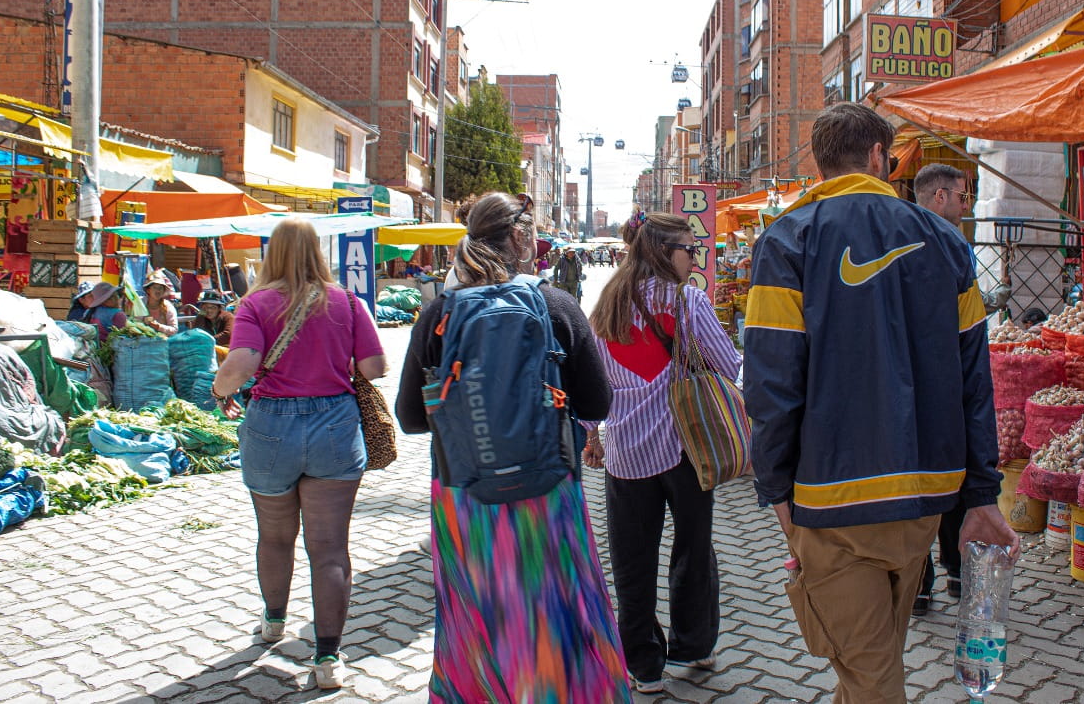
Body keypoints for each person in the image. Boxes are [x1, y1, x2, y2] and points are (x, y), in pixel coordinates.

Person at [744, 102, 1019, 702]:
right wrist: (981, 493)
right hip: (924, 496)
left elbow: (769, 388)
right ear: (878, 158)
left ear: (821, 164)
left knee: (871, 677)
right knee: (873, 663)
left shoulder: (788, 238)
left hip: (831, 498)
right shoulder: (946, 243)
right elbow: (977, 378)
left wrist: (777, 495)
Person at [394, 192, 630, 702]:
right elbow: (599, 402)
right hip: (548, 490)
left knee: (477, 616)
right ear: (521, 238)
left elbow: (410, 418)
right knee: (556, 608)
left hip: (465, 495)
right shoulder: (557, 304)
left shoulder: (439, 311)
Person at [210, 217, 387, 691]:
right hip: (335, 426)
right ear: (317, 251)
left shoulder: (254, 303)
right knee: (329, 549)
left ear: (274, 254)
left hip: (271, 426)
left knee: (274, 536)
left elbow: (244, 360)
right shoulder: (348, 302)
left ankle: (272, 623)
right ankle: (327, 658)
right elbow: (375, 366)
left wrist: (221, 385)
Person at [585, 211, 742, 694]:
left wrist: (593, 433)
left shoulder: (607, 303)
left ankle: (644, 666)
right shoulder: (689, 300)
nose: (695, 259)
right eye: (689, 250)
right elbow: (729, 364)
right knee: (694, 551)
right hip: (687, 446)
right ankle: (693, 647)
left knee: (632, 561)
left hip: (628, 452)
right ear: (662, 252)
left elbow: (592, 382)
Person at [910, 163, 973, 614]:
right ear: (939, 197)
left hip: (915, 378)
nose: (966, 205)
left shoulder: (895, 237)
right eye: (962, 196)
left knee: (928, 481)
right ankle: (942, 573)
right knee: (947, 476)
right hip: (938, 375)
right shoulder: (945, 244)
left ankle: (926, 580)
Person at [192, 290, 235, 355]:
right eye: (206, 307)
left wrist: (208, 341)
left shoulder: (228, 317)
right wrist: (201, 314)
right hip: (207, 349)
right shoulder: (202, 317)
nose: (209, 310)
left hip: (227, 351)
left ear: (219, 308)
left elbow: (228, 334)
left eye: (213, 307)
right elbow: (196, 332)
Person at [141, 269, 179, 336]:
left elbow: (174, 329)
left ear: (164, 291)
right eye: (155, 288)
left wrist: (159, 327)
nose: (158, 291)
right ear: (148, 290)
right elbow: (134, 322)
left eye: (160, 288)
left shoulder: (168, 306)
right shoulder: (141, 304)